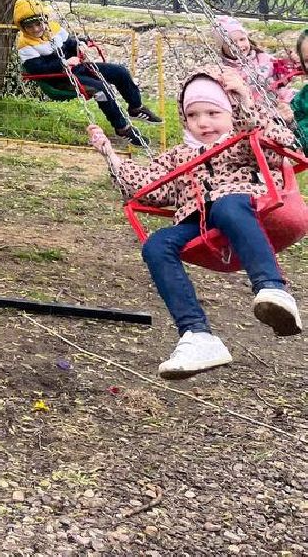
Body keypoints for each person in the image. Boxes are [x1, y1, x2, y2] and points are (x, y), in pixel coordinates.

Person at [89, 67, 302, 379]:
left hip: (246, 207)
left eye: (213, 112)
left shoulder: (244, 139)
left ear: (231, 112)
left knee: (227, 206)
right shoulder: (179, 155)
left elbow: (282, 145)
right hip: (198, 221)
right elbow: (149, 187)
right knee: (156, 244)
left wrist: (244, 101)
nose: (203, 122)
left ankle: (273, 290)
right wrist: (111, 155)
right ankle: (197, 335)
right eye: (193, 115)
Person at [14, 0, 160, 147]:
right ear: (22, 28)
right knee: (101, 89)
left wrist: (81, 45)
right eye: (29, 26)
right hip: (60, 79)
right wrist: (64, 63)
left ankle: (136, 108)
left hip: (78, 69)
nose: (36, 29)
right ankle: (122, 128)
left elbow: (71, 44)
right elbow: (37, 68)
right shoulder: (25, 44)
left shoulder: (54, 29)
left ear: (45, 20)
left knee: (120, 72)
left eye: (38, 24)